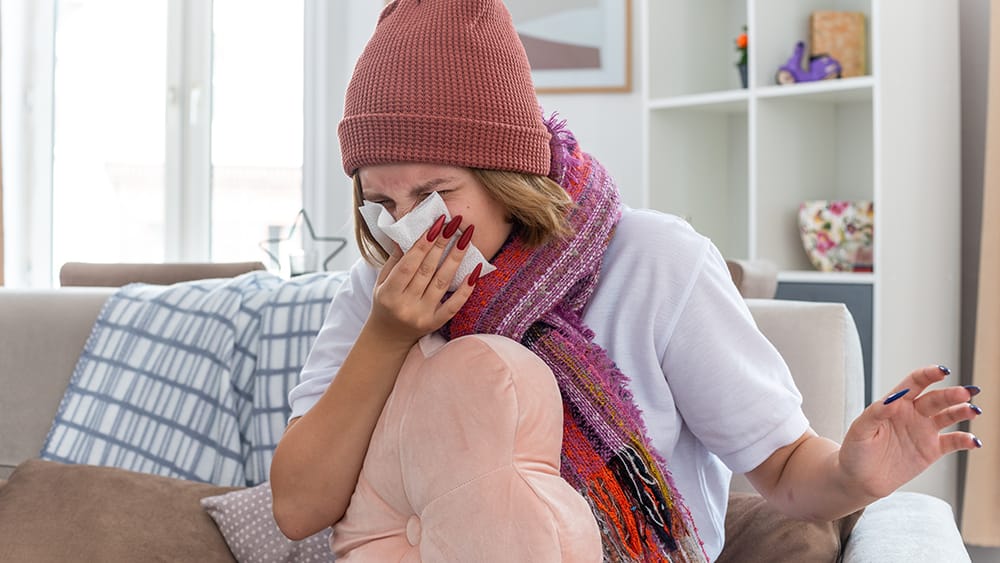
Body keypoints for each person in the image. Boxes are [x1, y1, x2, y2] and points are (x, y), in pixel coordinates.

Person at [270, 0, 985, 560]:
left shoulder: (656, 262)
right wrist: (388, 336)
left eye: (435, 193)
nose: (408, 229)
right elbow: (299, 506)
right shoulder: (380, 292)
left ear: (507, 175)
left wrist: (859, 474)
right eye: (382, 205)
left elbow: (787, 470)